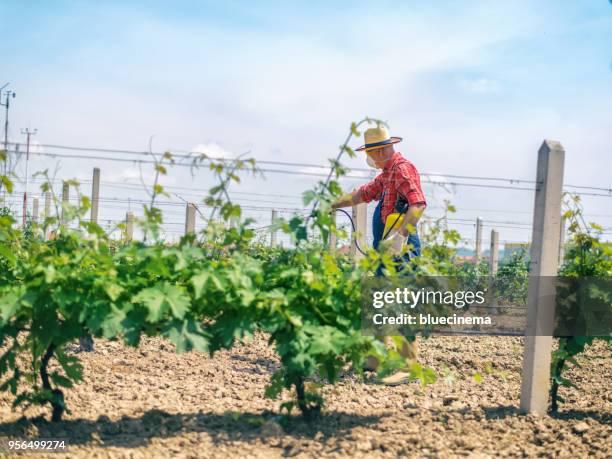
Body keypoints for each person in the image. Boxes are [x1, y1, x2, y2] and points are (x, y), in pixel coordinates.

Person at [332, 125, 427, 385]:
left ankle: (408, 368)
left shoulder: (402, 168)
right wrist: (333, 203)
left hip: (400, 249)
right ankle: (373, 358)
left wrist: (401, 237)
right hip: (387, 248)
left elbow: (417, 203)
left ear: (382, 150)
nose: (370, 158)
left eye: (372, 153)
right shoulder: (387, 173)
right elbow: (365, 193)